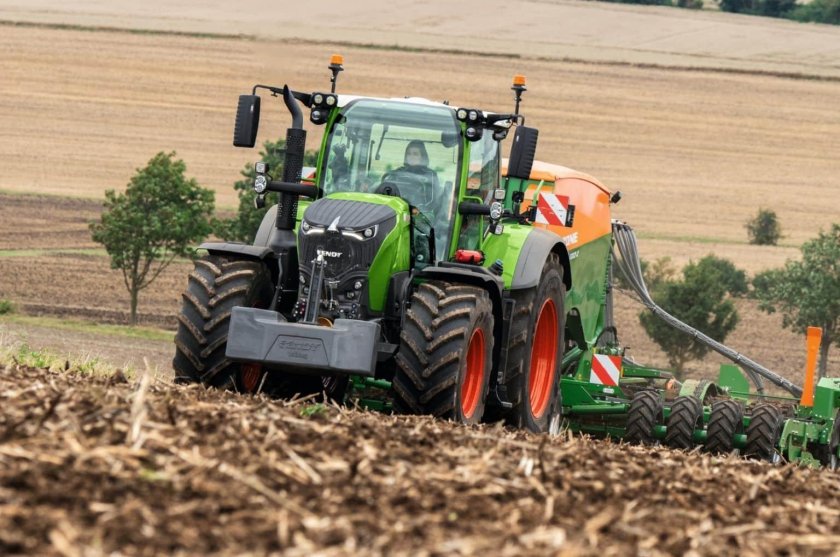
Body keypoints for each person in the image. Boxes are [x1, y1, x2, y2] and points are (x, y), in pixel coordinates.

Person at [379, 140, 440, 211]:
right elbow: (385, 191)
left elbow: (432, 201)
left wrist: (415, 209)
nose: (411, 156)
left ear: (422, 156)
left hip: (422, 214)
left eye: (415, 154)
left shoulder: (430, 175)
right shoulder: (398, 172)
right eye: (409, 154)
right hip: (398, 210)